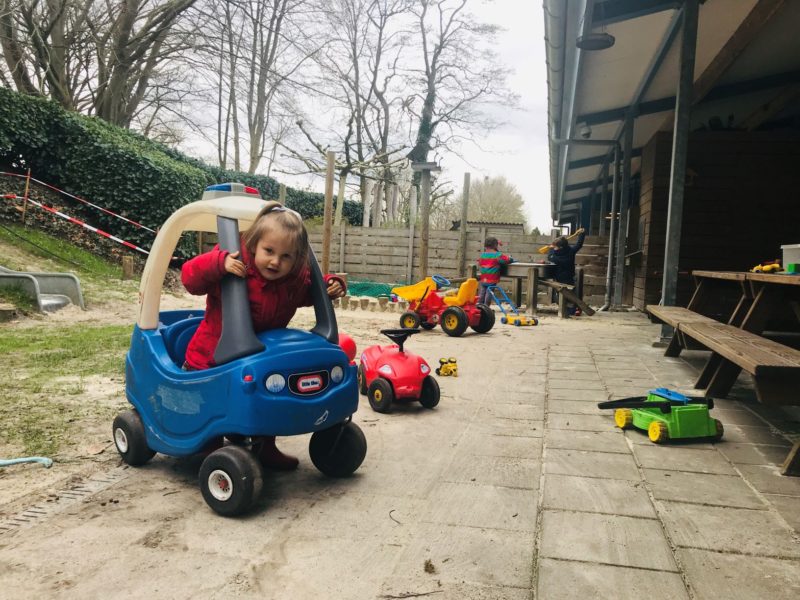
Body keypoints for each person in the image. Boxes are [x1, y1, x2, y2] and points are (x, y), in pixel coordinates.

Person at [181, 203, 346, 470]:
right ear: (255, 243)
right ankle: (208, 452)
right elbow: (189, 279)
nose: (275, 262)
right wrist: (218, 263)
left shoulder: (291, 278)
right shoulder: (233, 259)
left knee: (266, 398)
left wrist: (328, 284)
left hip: (260, 354)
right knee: (212, 406)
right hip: (211, 354)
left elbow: (306, 291)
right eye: (269, 251)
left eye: (286, 256)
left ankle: (264, 447)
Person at [547, 227, 586, 315]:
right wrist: (582, 235)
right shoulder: (570, 251)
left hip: (562, 278)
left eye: (555, 247)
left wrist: (550, 249)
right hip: (567, 276)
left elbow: (550, 257)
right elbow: (579, 244)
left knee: (564, 295)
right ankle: (571, 309)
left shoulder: (555, 255)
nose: (554, 248)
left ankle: (571, 310)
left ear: (560, 247)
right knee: (567, 294)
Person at [477, 236, 513, 305]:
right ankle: (486, 307)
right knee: (489, 292)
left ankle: (479, 305)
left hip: (483, 278)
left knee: (482, 292)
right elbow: (506, 260)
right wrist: (511, 259)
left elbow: (480, 263)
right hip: (492, 278)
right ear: (496, 246)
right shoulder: (497, 255)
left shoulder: (483, 255)